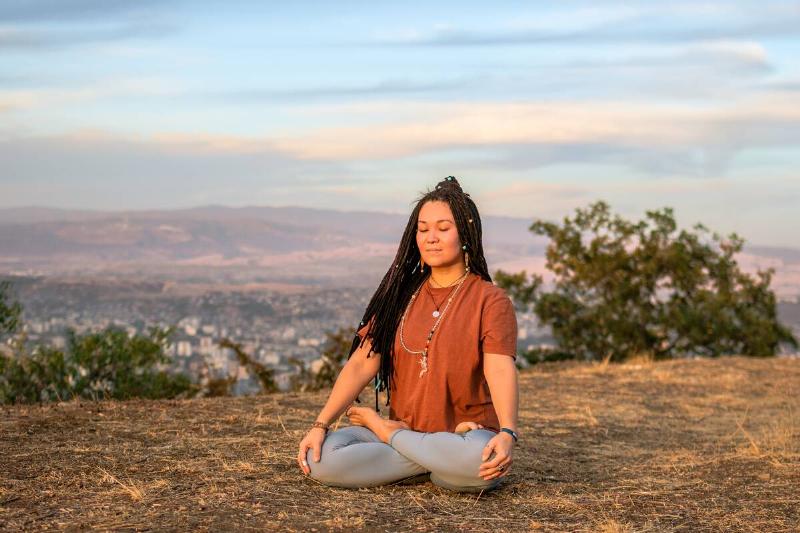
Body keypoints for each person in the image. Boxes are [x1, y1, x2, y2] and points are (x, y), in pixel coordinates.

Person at [295, 176, 519, 492]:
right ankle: (430, 461)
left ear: (466, 234)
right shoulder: (398, 297)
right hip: (410, 430)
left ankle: (390, 438)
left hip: (467, 434)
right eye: (423, 229)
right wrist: (320, 425)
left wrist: (507, 432)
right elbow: (361, 363)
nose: (431, 238)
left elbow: (499, 367)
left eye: (443, 228)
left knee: (480, 462)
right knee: (320, 458)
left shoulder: (490, 299)